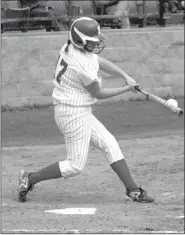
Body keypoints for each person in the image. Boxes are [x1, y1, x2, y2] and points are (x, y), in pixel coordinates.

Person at [17, 17, 154, 204]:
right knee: (75, 166)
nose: (95, 43)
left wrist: (125, 76)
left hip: (78, 110)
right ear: (80, 40)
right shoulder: (80, 63)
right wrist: (126, 88)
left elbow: (99, 61)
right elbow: (99, 93)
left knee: (109, 144)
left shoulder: (72, 48)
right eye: (91, 41)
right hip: (72, 114)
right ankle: (29, 178)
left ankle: (133, 190)